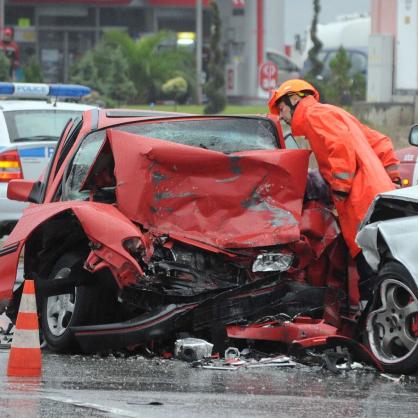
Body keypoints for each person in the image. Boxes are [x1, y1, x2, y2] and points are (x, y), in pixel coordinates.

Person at [268, 79, 399, 298]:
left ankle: (370, 326)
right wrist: (392, 179)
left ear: (294, 99)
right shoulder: (334, 113)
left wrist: (339, 190)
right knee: (386, 266)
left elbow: (339, 147)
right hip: (378, 197)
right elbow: (381, 142)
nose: (281, 117)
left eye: (281, 109)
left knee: (369, 269)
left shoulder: (314, 116)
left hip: (359, 203)